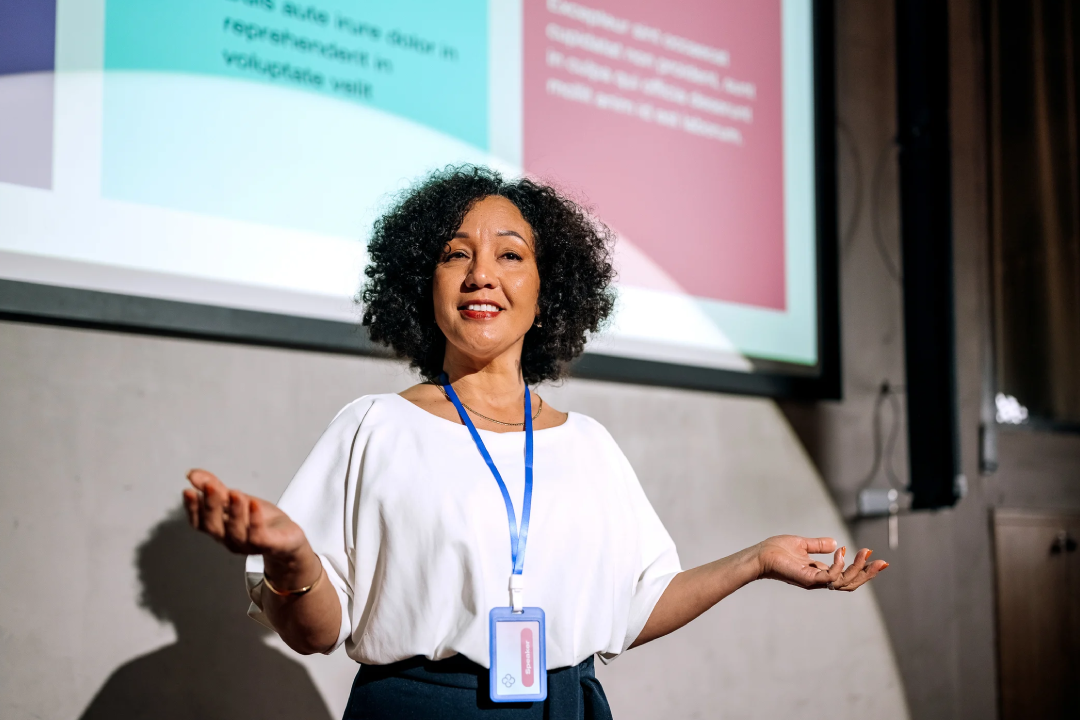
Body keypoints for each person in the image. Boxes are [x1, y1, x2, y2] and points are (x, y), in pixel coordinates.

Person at [183, 165, 888, 719]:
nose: (481, 273)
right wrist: (292, 556)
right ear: (422, 287)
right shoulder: (375, 427)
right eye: (455, 254)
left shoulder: (590, 446)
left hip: (568, 709)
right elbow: (314, 633)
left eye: (509, 254)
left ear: (547, 290)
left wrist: (759, 560)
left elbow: (632, 609)